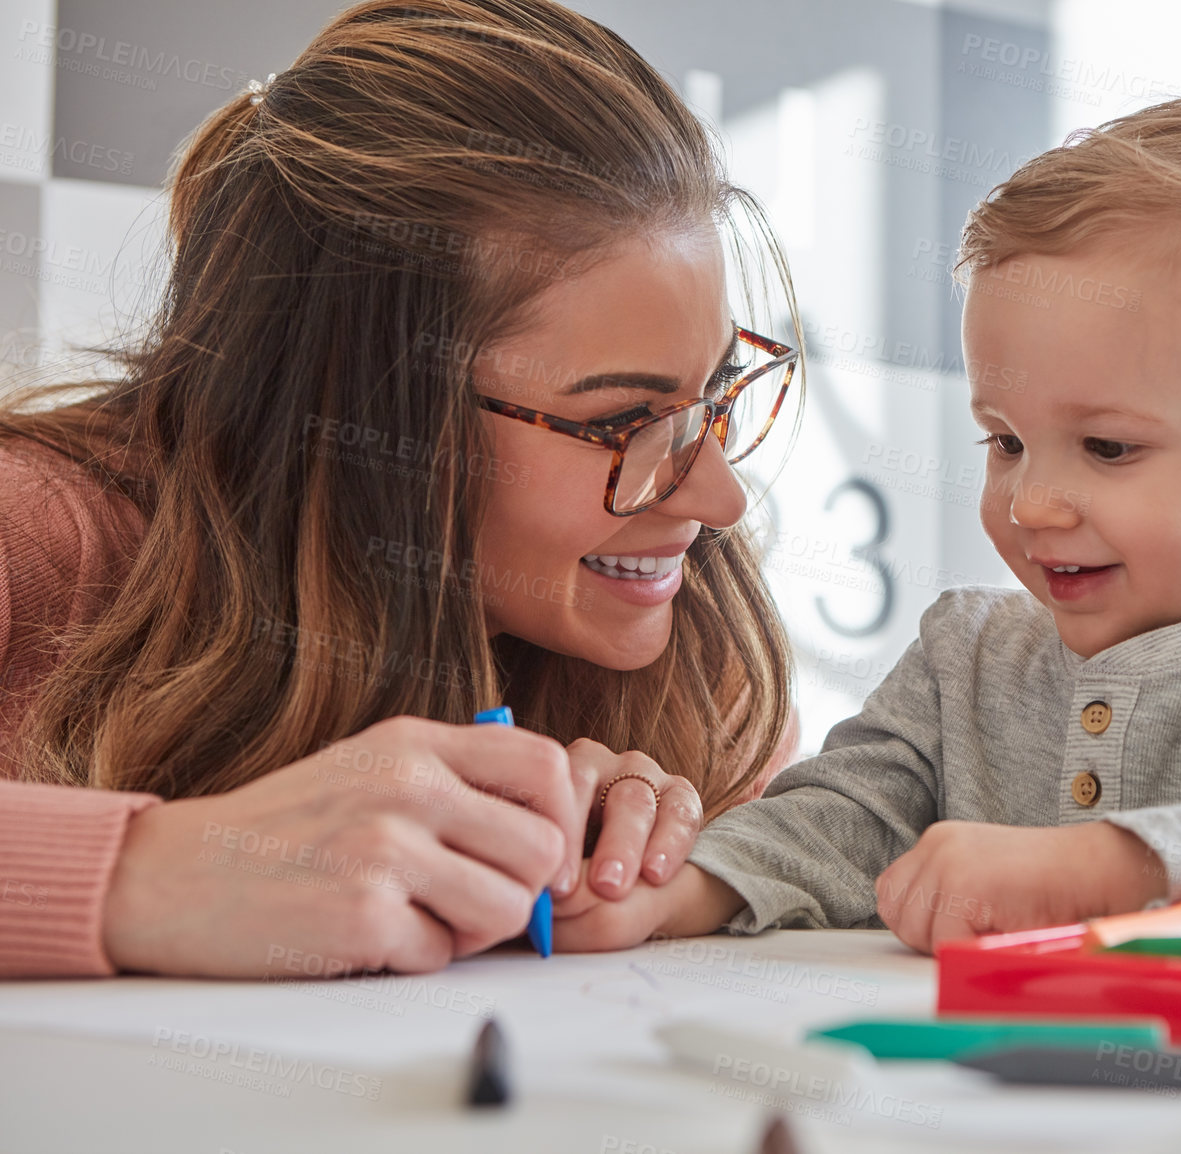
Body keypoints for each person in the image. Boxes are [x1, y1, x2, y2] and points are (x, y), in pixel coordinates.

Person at [553, 92, 1181, 955]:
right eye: (1006, 441)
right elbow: (841, 818)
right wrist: (674, 890)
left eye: (1108, 448)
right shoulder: (965, 654)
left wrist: (1103, 866)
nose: (1031, 504)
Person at [0, 0, 798, 979]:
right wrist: (153, 873)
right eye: (623, 419)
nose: (720, 499)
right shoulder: (35, 532)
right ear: (372, 404)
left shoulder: (699, 654)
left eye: (714, 392)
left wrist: (668, 866)